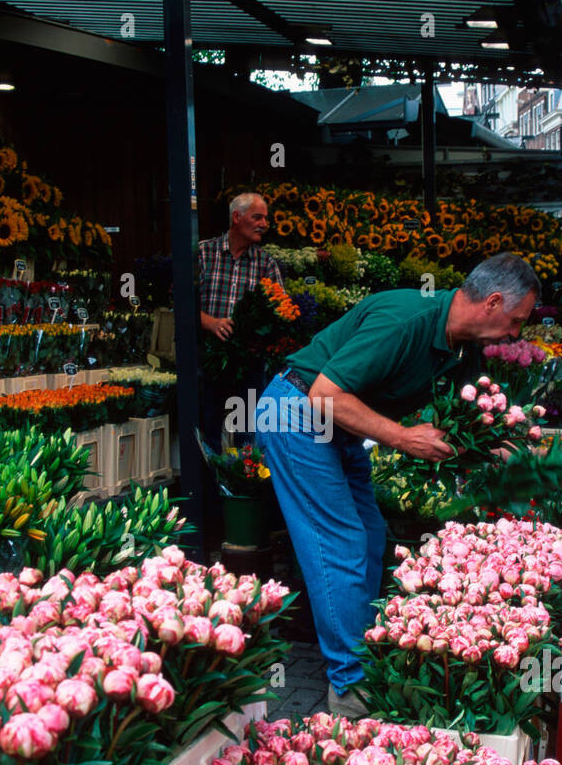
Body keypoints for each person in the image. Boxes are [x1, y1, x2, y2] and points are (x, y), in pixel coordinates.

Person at [256, 253, 540, 718]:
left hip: (340, 424)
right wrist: (402, 438)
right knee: (340, 542)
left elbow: (464, 422)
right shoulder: (407, 319)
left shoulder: (461, 345)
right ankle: (349, 688)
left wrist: (524, 455)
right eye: (516, 321)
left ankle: (363, 655)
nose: (516, 335)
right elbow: (324, 393)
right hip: (295, 409)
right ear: (491, 302)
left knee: (369, 537)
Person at [197, 192, 283, 450]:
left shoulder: (266, 264)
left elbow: (280, 311)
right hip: (208, 359)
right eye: (257, 217)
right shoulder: (204, 253)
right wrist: (210, 323)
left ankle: (243, 485)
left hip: (248, 363)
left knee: (248, 433)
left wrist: (260, 335)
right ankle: (207, 488)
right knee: (207, 427)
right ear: (237, 217)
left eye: (265, 218)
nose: (264, 224)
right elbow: (180, 302)